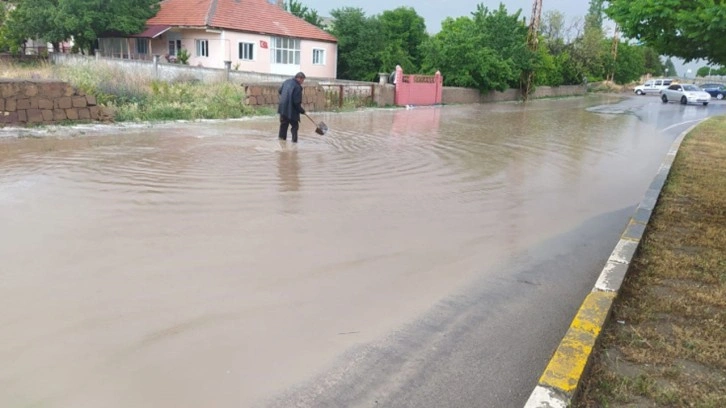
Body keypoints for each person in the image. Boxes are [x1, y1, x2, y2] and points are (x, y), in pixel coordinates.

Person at [278, 72, 306, 143]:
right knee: (294, 127)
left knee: (283, 126)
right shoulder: (298, 87)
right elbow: (296, 102)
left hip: (283, 109)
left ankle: (281, 142)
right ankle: (294, 143)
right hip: (291, 111)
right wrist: (302, 111)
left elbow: (280, 91)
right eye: (303, 80)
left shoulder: (286, 82)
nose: (303, 82)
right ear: (299, 78)